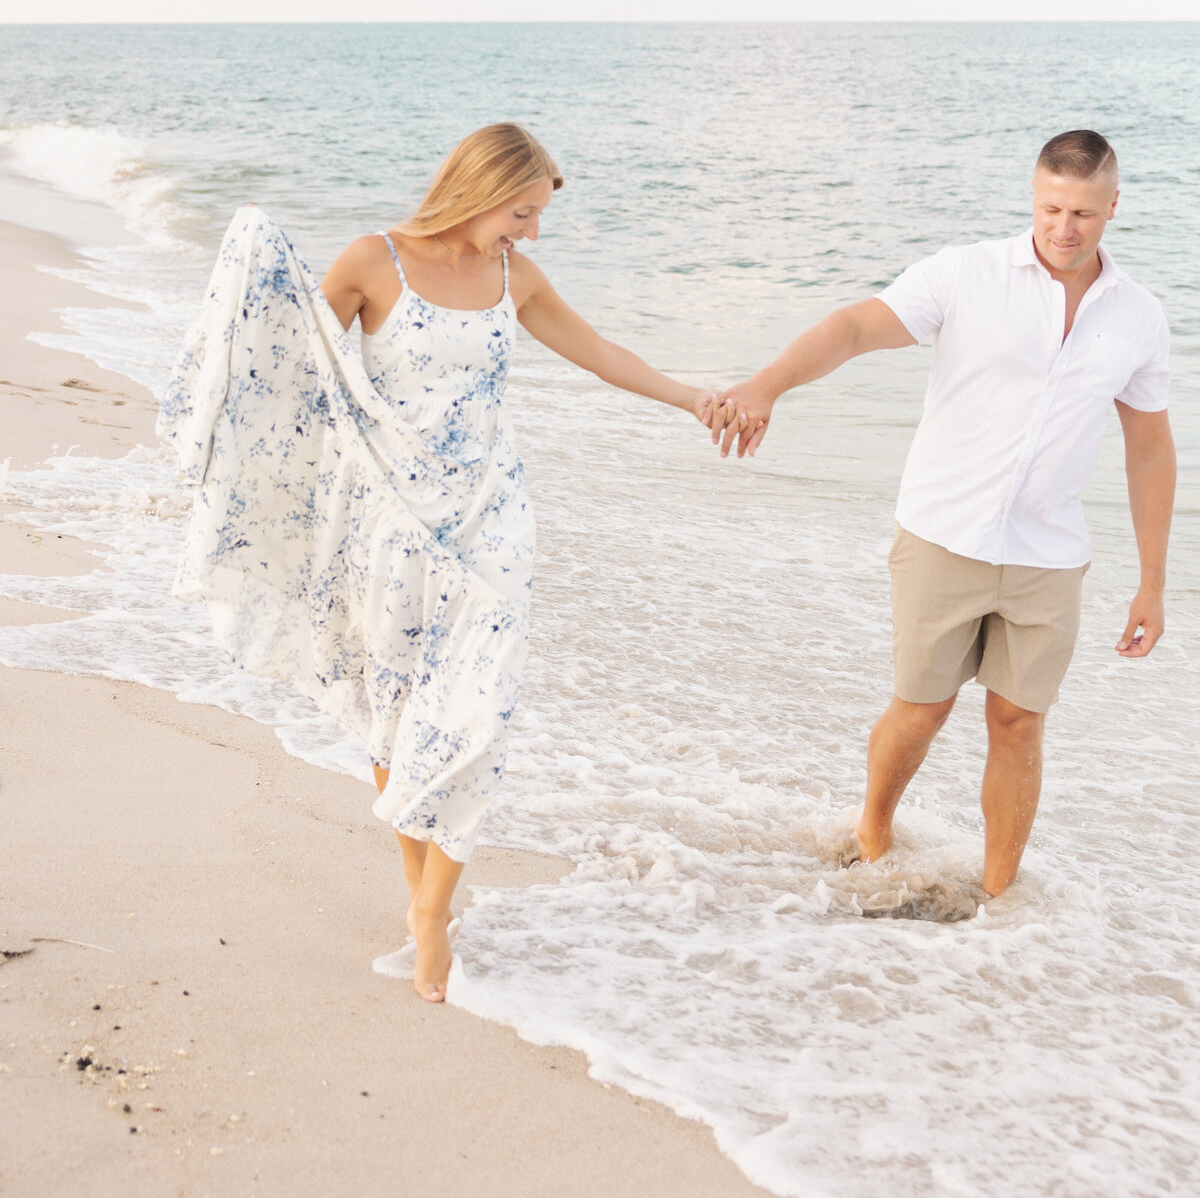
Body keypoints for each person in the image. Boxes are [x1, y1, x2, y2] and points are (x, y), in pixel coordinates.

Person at [160, 123, 710, 1000]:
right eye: (522, 213)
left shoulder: (512, 279)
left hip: (493, 523)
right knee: (398, 712)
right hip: (391, 523)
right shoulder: (374, 262)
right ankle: (424, 897)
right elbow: (300, 370)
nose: (530, 233)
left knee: (478, 708)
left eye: (536, 218)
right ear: (480, 186)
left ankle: (431, 912)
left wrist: (694, 399)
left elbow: (600, 354)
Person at [704, 131, 1175, 901]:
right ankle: (873, 834)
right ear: (1034, 198)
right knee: (921, 710)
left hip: (1048, 553)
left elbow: (1150, 450)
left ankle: (998, 900)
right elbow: (855, 328)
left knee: (1019, 723)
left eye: (1084, 213)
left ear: (1113, 208)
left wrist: (1152, 582)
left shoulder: (1139, 317)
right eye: (1052, 208)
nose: (1065, 228)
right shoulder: (966, 274)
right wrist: (767, 385)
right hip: (943, 534)